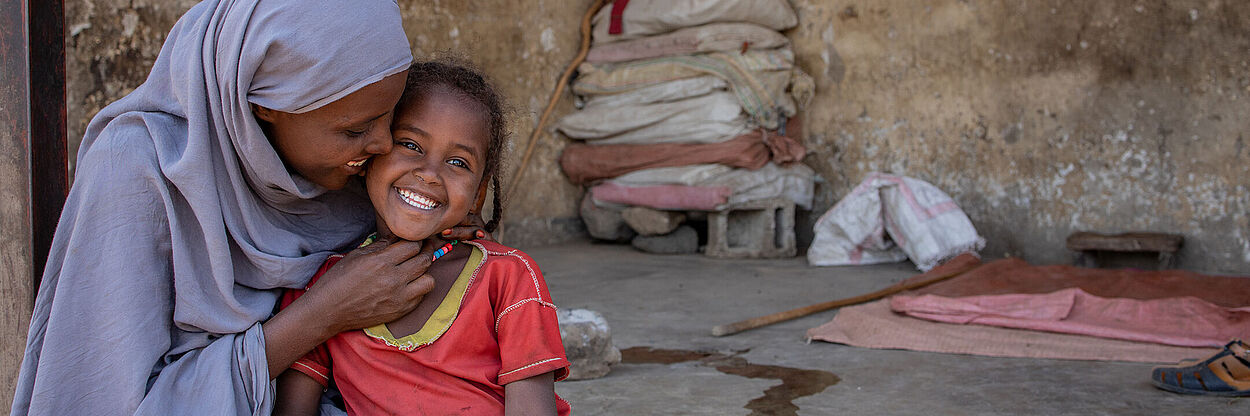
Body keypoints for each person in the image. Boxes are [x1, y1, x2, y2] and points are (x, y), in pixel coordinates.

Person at [12, 1, 484, 414]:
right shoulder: (137, 172)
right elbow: (106, 400)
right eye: (355, 130)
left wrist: (434, 227)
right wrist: (320, 315)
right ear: (262, 106)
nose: (381, 145)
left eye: (391, 119)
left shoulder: (347, 175)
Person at [273, 61, 571, 416]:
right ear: (371, 155)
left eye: (458, 163)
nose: (429, 174)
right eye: (410, 144)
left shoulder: (508, 277)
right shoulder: (324, 286)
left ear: (478, 194)